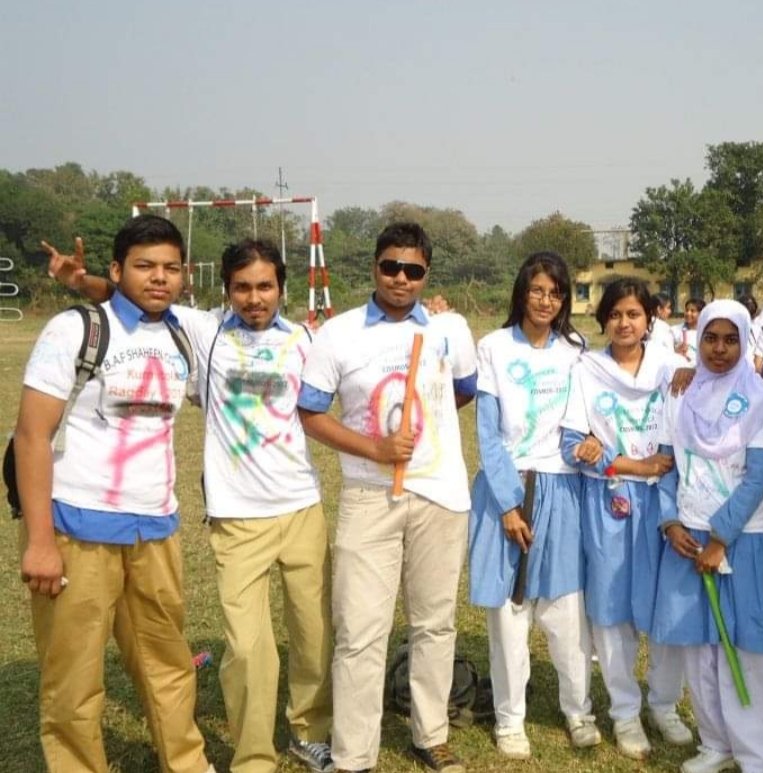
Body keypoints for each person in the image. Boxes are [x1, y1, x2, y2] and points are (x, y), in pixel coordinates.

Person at [44, 238, 335, 773]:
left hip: (302, 508)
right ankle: (253, 756)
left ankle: (309, 731)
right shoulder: (204, 331)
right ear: (225, 291)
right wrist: (82, 282)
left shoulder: (306, 338)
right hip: (237, 518)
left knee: (315, 635)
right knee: (247, 648)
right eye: (242, 288)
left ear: (281, 288)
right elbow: (137, 296)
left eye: (265, 286)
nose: (254, 298)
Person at [15, 215, 213, 773]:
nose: (160, 278)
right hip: (77, 527)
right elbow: (32, 436)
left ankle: (186, 763)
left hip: (154, 528)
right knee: (74, 677)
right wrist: (40, 543)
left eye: (171, 268)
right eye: (145, 266)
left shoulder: (182, 333)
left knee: (167, 663)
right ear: (117, 269)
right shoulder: (74, 329)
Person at [297, 222, 478, 773]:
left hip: (440, 496)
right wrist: (375, 447)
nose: (401, 278)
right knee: (360, 630)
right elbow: (311, 413)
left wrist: (420, 424)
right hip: (370, 497)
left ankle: (431, 733)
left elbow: (463, 391)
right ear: (374, 267)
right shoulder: (338, 334)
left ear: (427, 274)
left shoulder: (449, 328)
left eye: (413, 270)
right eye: (391, 267)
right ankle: (354, 754)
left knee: (434, 623)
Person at [653, 300, 763, 773]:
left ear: (744, 341)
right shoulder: (680, 394)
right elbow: (667, 466)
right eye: (711, 339)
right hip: (689, 538)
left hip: (742, 539)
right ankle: (716, 743)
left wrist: (720, 540)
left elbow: (757, 478)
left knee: (753, 650)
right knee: (701, 650)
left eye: (730, 339)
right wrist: (671, 522)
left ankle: (758, 755)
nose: (719, 349)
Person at [467, 252, 599, 759]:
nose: (546, 300)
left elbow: (589, 416)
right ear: (522, 292)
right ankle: (509, 719)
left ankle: (578, 710)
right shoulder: (494, 347)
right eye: (537, 290)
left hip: (562, 488)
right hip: (509, 488)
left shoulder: (575, 351)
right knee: (509, 613)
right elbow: (488, 433)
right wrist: (507, 505)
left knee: (567, 610)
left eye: (555, 293)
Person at [560, 278, 692, 760]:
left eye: (633, 314)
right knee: (612, 610)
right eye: (614, 314)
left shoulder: (673, 368)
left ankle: (664, 704)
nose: (624, 323)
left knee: (668, 604)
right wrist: (626, 463)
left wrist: (694, 371)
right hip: (611, 503)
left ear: (649, 319)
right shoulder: (587, 370)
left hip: (666, 503)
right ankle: (625, 712)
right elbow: (572, 444)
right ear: (603, 321)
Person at [674, 297, 704, 361]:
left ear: (701, 313)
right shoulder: (674, 330)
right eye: (687, 310)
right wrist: (676, 351)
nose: (688, 313)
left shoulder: (705, 332)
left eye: (692, 311)